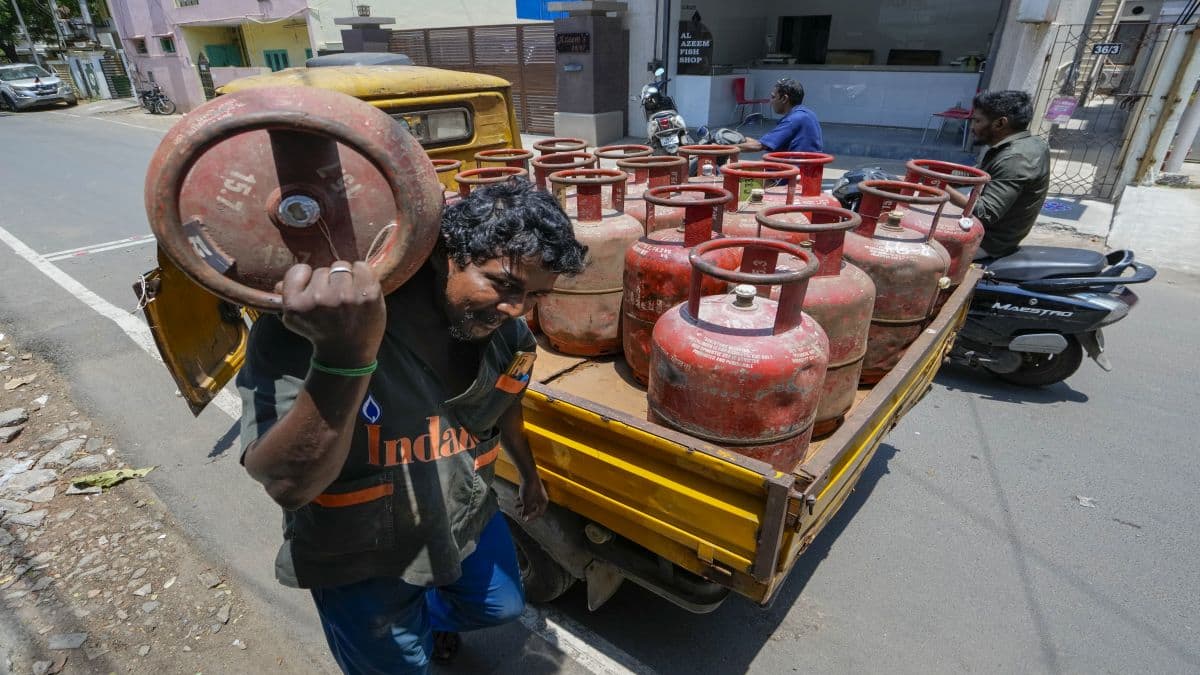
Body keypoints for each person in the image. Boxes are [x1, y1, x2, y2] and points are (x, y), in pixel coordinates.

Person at [237, 178, 587, 674]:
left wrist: (529, 474)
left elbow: (506, 400)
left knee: (499, 605)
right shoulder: (321, 331)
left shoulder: (510, 337)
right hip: (361, 554)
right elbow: (288, 484)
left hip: (462, 517)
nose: (515, 309)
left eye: (534, 296)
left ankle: (425, 621)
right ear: (445, 253)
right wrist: (344, 359)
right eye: (503, 283)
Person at [952, 90, 1051, 259]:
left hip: (986, 242)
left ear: (1000, 123)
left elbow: (986, 213)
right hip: (993, 234)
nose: (973, 127)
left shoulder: (1016, 158)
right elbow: (977, 173)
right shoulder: (1027, 143)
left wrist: (939, 186)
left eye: (977, 120)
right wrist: (935, 174)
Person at [739, 78, 823, 153]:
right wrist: (740, 139)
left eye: (773, 97)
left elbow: (759, 146)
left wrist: (727, 148)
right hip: (805, 167)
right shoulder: (807, 114)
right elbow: (764, 143)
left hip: (794, 168)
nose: (771, 101)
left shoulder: (793, 120)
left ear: (784, 99)